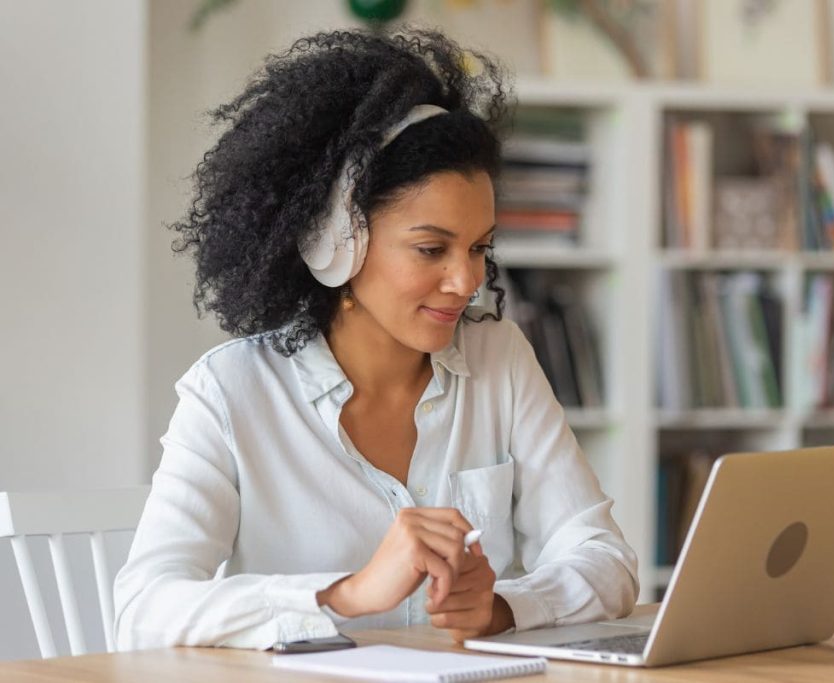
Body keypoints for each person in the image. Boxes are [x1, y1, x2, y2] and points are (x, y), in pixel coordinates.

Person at [113, 28, 638, 650]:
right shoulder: (230, 393)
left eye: (479, 248)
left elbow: (605, 557)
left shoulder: (500, 361)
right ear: (339, 240)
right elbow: (143, 611)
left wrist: (501, 607)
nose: (466, 280)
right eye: (430, 248)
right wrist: (347, 594)